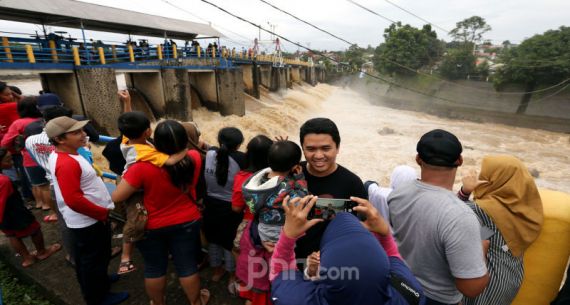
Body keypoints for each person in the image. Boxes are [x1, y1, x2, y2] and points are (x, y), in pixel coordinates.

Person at [112, 120, 209, 305]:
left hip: (152, 226)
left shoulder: (141, 167)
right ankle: (196, 302)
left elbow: (117, 197)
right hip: (187, 220)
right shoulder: (195, 156)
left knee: (154, 268)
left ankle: (158, 303)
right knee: (187, 265)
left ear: (155, 141)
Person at [388, 129, 489, 305]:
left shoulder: (397, 195)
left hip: (397, 288)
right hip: (434, 300)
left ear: (418, 159)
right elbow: (471, 288)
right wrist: (481, 250)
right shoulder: (461, 216)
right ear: (459, 160)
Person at [269, 195, 426, 305]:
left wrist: (288, 236)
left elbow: (279, 273)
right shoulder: (409, 294)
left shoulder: (296, 299)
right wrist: (384, 234)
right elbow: (393, 258)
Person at [47, 116, 128, 305]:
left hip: (87, 218)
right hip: (88, 221)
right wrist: (101, 214)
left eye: (82, 130)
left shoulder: (64, 154)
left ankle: (100, 281)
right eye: (76, 132)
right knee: (92, 260)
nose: (84, 134)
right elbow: (73, 199)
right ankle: (98, 298)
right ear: (60, 139)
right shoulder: (67, 163)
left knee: (95, 258)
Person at [458, 155, 543, 305]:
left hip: (488, 284)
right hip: (512, 279)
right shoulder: (526, 209)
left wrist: (465, 190)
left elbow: (448, 212)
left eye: (484, 174)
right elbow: (490, 233)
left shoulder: (482, 210)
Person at [236, 140, 309, 305]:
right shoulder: (287, 186)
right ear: (293, 166)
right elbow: (301, 198)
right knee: (280, 265)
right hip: (278, 232)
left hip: (262, 227)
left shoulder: (256, 180)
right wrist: (300, 177)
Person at [115, 107, 186, 275]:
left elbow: (129, 121)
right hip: (134, 190)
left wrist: (127, 103)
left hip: (128, 180)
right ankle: (126, 258)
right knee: (136, 221)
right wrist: (187, 149)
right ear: (148, 131)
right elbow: (170, 161)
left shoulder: (127, 141)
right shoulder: (146, 153)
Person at [295, 118, 367, 262]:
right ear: (303, 148)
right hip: (288, 258)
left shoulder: (352, 184)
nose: (318, 156)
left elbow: (359, 228)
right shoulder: (292, 173)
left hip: (329, 262)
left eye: (326, 148)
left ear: (338, 147)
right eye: (311, 149)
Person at [0, 148, 61, 267]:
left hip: (5, 218)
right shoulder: (4, 181)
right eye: (7, 160)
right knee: (34, 229)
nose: (12, 162)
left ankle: (27, 258)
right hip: (14, 212)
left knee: (11, 235)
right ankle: (42, 252)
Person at [202, 127, 246, 287]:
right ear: (239, 144)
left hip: (210, 205)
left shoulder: (209, 154)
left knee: (213, 239)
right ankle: (232, 275)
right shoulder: (242, 159)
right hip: (231, 208)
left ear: (219, 141)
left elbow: (210, 148)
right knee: (229, 242)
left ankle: (216, 271)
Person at [1, 96, 44, 211]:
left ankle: (40, 203)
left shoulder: (18, 123)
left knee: (36, 183)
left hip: (29, 158)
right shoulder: (44, 120)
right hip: (47, 155)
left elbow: (5, 142)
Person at [231, 135, 273, 249]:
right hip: (276, 224)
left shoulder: (242, 177)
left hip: (251, 223)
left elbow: (236, 208)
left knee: (240, 251)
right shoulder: (280, 174)